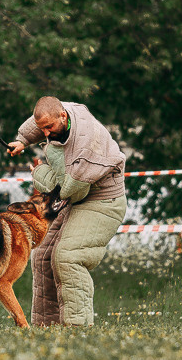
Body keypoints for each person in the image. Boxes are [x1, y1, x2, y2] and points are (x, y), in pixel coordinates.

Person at [7, 97, 127, 326]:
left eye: (49, 128)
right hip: (78, 197)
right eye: (42, 129)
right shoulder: (64, 112)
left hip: (103, 200)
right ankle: (47, 328)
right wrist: (22, 140)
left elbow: (69, 191)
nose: (45, 134)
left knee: (68, 257)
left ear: (63, 117)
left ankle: (76, 328)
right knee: (42, 256)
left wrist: (39, 173)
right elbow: (42, 117)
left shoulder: (84, 147)